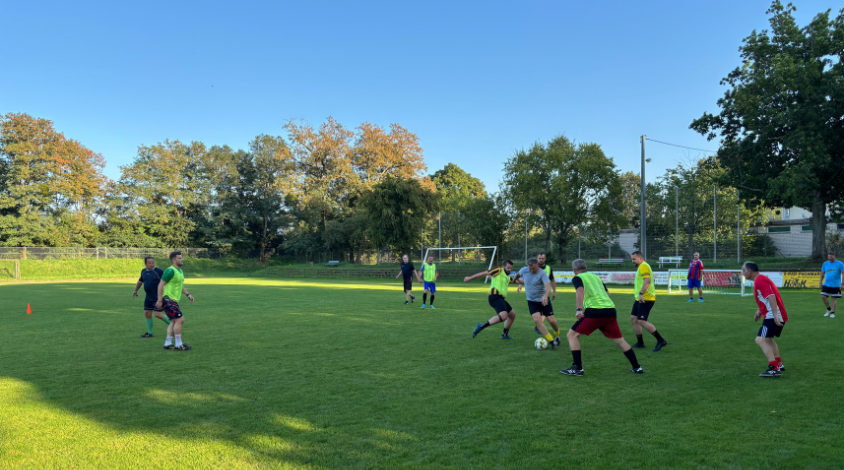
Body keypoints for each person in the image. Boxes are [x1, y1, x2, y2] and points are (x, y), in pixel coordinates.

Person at [561, 259, 643, 376]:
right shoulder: (596, 277)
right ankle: (637, 367)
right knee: (620, 340)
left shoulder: (577, 278)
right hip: (610, 311)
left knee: (571, 335)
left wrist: (579, 309)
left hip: (595, 312)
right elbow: (607, 294)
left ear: (574, 270)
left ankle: (577, 368)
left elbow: (580, 290)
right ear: (586, 267)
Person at [742, 261, 788, 377]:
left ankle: (773, 368)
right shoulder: (760, 279)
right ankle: (778, 364)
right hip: (773, 315)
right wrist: (759, 311)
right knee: (768, 340)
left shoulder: (759, 280)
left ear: (749, 271)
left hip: (773, 316)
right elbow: (765, 298)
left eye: (743, 271)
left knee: (760, 340)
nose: (742, 273)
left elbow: (771, 296)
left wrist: (775, 314)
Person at [512, 258, 560, 349]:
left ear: (537, 265)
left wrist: (545, 296)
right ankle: (551, 341)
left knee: (551, 320)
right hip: (531, 301)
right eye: (530, 268)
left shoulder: (542, 273)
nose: (531, 270)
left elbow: (548, 287)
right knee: (537, 320)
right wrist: (514, 280)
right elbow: (518, 275)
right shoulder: (524, 270)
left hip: (543, 300)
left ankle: (557, 335)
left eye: (533, 268)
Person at [467, 260, 517, 340]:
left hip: (500, 298)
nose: (509, 270)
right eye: (508, 268)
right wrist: (470, 278)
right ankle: (481, 326)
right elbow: (485, 273)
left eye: (510, 268)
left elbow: (516, 281)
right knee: (504, 316)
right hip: (494, 296)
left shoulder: (508, 276)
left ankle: (504, 335)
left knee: (512, 315)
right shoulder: (499, 270)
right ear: (503, 266)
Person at [156, 251, 195, 351]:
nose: (182, 259)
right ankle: (179, 344)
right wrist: (160, 300)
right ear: (173, 260)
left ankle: (167, 343)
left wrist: (188, 294)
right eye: (179, 258)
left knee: (173, 322)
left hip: (172, 300)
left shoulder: (179, 271)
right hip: (168, 299)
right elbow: (161, 285)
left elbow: (180, 285)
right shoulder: (170, 271)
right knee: (180, 320)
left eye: (182, 258)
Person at [630, 251, 668, 352]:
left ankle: (661, 340)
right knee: (633, 318)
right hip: (640, 298)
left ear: (640, 258)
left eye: (634, 259)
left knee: (641, 321)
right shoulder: (641, 266)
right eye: (632, 259)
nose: (632, 261)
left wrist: (641, 293)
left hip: (646, 298)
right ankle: (640, 343)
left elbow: (647, 281)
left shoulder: (643, 266)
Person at [519, 252, 558, 335]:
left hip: (544, 294)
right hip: (533, 297)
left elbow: (552, 280)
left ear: (545, 259)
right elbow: (524, 278)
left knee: (549, 318)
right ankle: (540, 327)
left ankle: (541, 327)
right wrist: (520, 285)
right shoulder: (530, 268)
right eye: (539, 258)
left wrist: (554, 292)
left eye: (542, 258)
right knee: (539, 316)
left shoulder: (548, 269)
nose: (541, 260)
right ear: (537, 259)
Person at [132, 256, 170, 338]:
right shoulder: (143, 271)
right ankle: (150, 333)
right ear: (145, 264)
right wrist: (135, 291)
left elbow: (166, 283)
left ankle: (174, 325)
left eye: (152, 262)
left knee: (158, 314)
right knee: (147, 313)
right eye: (149, 263)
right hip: (148, 297)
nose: (151, 264)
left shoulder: (159, 271)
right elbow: (140, 281)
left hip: (158, 297)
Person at [820, 252, 844, 318]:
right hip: (826, 284)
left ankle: (833, 313)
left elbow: (843, 274)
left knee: (834, 298)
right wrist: (820, 282)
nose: (830, 258)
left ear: (834, 257)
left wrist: (842, 284)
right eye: (829, 257)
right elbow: (822, 273)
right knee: (823, 296)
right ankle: (828, 310)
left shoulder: (840, 264)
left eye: (831, 257)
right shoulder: (825, 264)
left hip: (836, 285)